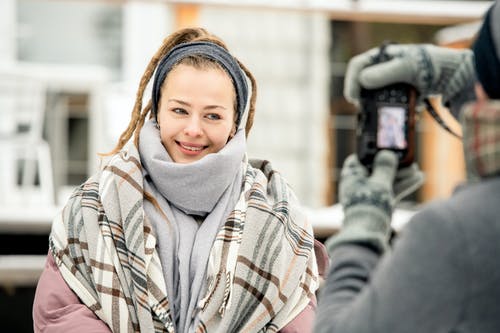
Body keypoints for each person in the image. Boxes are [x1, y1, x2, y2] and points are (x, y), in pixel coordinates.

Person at [32, 27, 326, 333]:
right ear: (158, 111)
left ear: (233, 124)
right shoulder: (95, 204)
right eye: (179, 110)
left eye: (212, 116)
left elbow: (295, 321)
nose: (193, 129)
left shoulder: (274, 215)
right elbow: (63, 313)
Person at [315, 1, 500, 332]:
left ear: (485, 89)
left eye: (479, 66)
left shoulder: (455, 234)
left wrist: (362, 229)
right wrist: (461, 75)